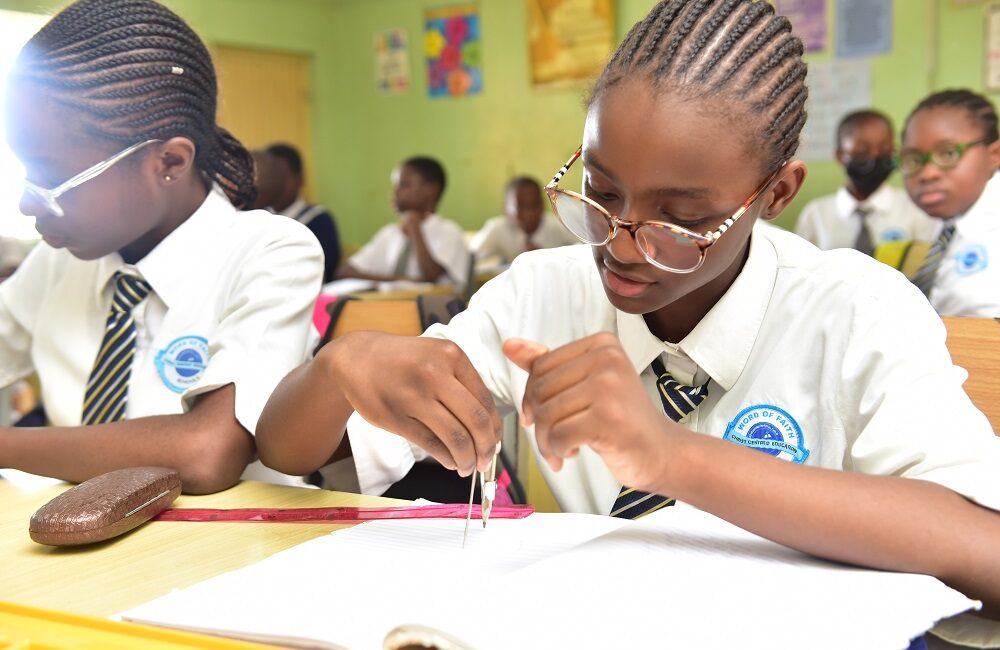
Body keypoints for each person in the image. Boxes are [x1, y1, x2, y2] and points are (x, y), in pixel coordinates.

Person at [257, 1, 1000, 643]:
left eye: (682, 220)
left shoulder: (858, 312)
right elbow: (286, 452)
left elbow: (983, 546)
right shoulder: (542, 290)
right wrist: (340, 367)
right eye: (600, 192)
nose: (620, 244)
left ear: (776, 193)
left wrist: (670, 457)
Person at [0, 0, 323, 493]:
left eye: (52, 178)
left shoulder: (272, 253)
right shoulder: (58, 262)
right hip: (80, 547)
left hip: (234, 548)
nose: (27, 203)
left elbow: (205, 451)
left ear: (169, 162)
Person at [901, 89, 1000, 317]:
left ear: (994, 154)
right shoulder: (946, 223)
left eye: (948, 154)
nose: (927, 173)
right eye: (914, 159)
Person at [795, 109, 936, 253]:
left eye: (885, 149)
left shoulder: (915, 209)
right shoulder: (816, 214)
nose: (874, 156)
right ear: (840, 155)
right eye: (862, 151)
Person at [336, 156, 469, 289]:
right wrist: (397, 280)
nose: (394, 192)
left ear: (431, 189)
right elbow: (343, 272)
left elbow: (431, 276)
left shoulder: (449, 231)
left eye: (403, 185)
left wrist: (415, 229)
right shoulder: (389, 233)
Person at [260, 143, 341, 284]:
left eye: (283, 176)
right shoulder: (258, 217)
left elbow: (326, 268)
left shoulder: (319, 219)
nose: (277, 183)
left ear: (300, 180)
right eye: (271, 176)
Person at [469, 176, 578, 267]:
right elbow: (471, 258)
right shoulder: (497, 228)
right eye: (519, 206)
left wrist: (549, 257)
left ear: (543, 205)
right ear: (505, 208)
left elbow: (585, 250)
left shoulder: (558, 225)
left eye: (534, 205)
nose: (529, 213)